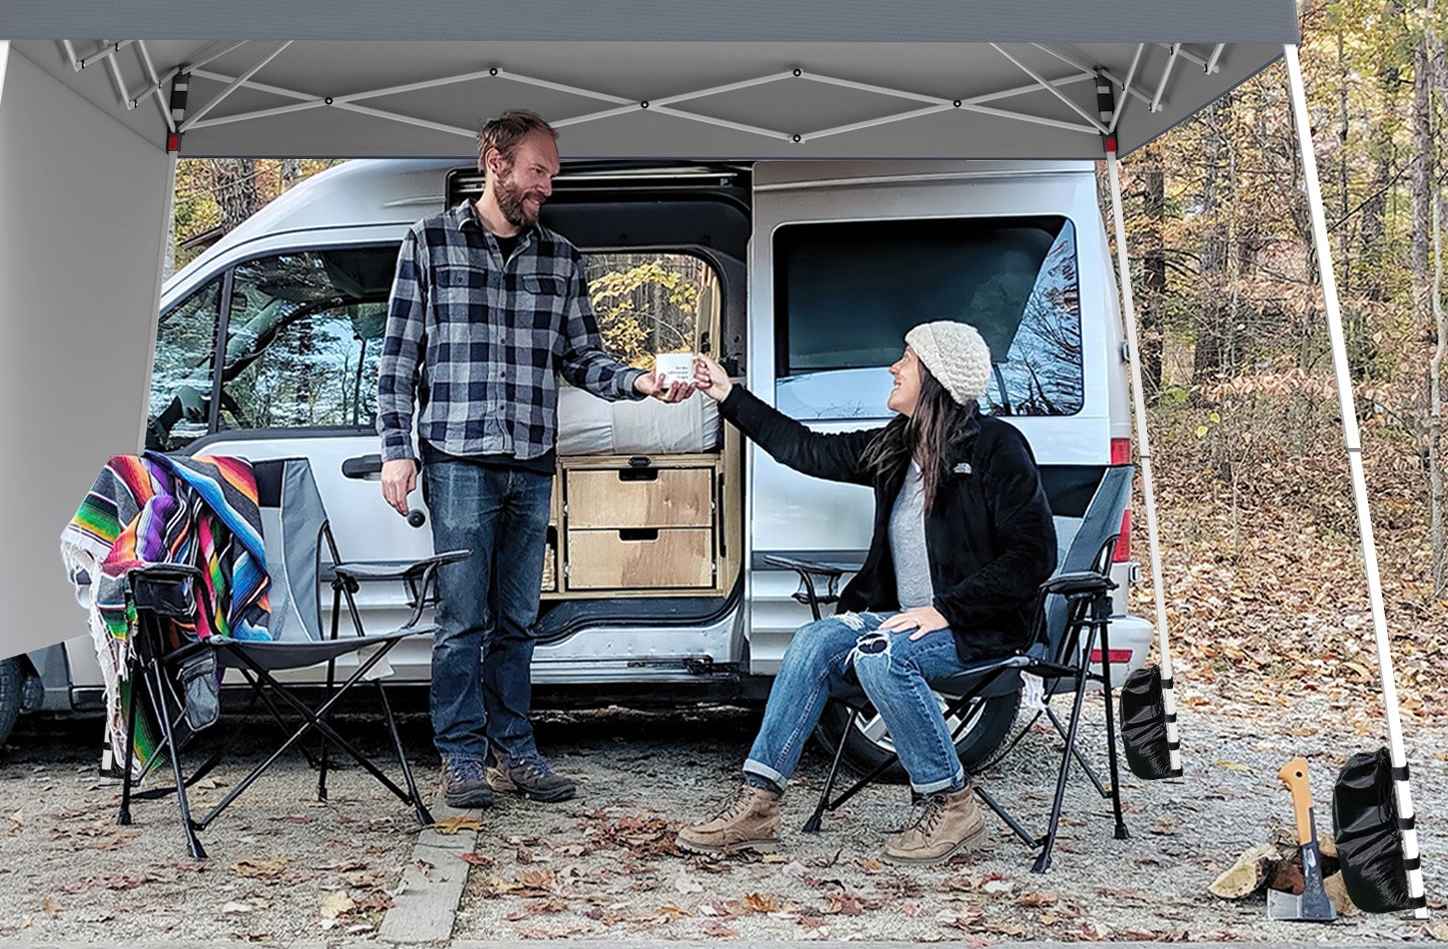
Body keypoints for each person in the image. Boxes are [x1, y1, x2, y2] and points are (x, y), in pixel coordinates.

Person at [375, 109, 692, 810]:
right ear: (495, 163)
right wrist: (398, 453)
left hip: (529, 463)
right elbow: (397, 362)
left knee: (517, 620)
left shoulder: (562, 258)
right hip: (456, 459)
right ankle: (462, 757)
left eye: (552, 173)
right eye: (537, 171)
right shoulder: (427, 243)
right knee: (461, 622)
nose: (547, 186)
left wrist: (640, 382)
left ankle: (515, 749)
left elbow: (581, 357)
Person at [677, 321, 1057, 862]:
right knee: (815, 640)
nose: (894, 368)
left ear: (936, 377)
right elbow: (804, 449)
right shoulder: (898, 446)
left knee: (883, 657)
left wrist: (945, 610)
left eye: (907, 358)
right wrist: (728, 395)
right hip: (904, 621)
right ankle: (758, 804)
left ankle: (952, 804)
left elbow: (1033, 556)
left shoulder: (998, 447)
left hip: (977, 628)